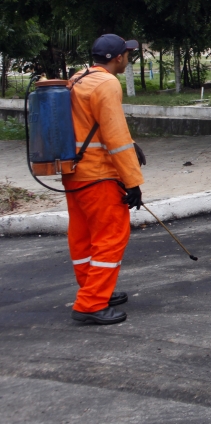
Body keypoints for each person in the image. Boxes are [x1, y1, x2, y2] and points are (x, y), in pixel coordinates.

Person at [64, 34, 145, 325]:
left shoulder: (78, 78)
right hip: (99, 175)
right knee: (111, 237)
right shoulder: (108, 84)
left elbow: (88, 125)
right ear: (117, 58)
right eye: (127, 54)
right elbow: (115, 137)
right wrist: (132, 181)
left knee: (83, 237)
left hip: (73, 172)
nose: (128, 58)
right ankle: (90, 303)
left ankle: (95, 289)